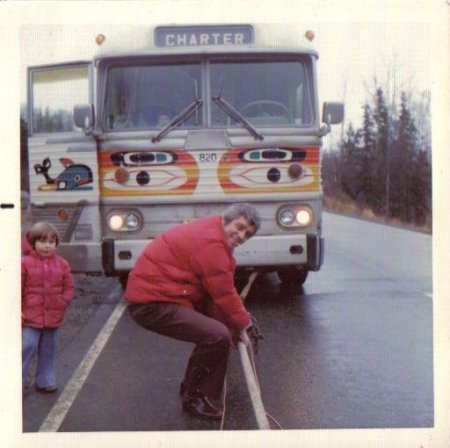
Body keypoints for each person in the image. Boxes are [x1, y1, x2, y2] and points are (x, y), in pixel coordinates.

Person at [125, 203, 261, 420]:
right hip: (151, 302)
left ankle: (190, 386)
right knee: (217, 335)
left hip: (165, 294)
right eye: (240, 226)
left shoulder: (215, 232)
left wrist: (234, 324)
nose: (241, 235)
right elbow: (223, 293)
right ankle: (194, 398)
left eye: (247, 233)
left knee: (215, 330)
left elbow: (213, 293)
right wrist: (243, 325)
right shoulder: (212, 242)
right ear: (228, 219)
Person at [21, 222, 74, 395]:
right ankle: (15, 381)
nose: (47, 245)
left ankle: (45, 380)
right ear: (33, 242)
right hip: (30, 315)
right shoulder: (25, 263)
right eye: (42, 241)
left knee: (48, 349)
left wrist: (63, 301)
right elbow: (18, 288)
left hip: (53, 315)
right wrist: (18, 309)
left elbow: (68, 286)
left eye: (52, 242)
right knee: (27, 346)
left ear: (57, 245)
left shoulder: (62, 264)